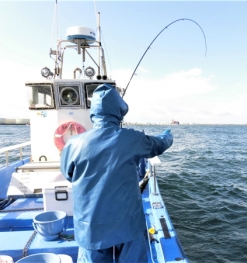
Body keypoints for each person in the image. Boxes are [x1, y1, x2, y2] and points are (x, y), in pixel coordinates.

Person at [60, 83, 173, 263]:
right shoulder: (131, 138)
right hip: (128, 225)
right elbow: (158, 145)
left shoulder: (73, 144)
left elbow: (69, 174)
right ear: (119, 111)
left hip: (90, 227)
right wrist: (168, 135)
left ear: (94, 112)